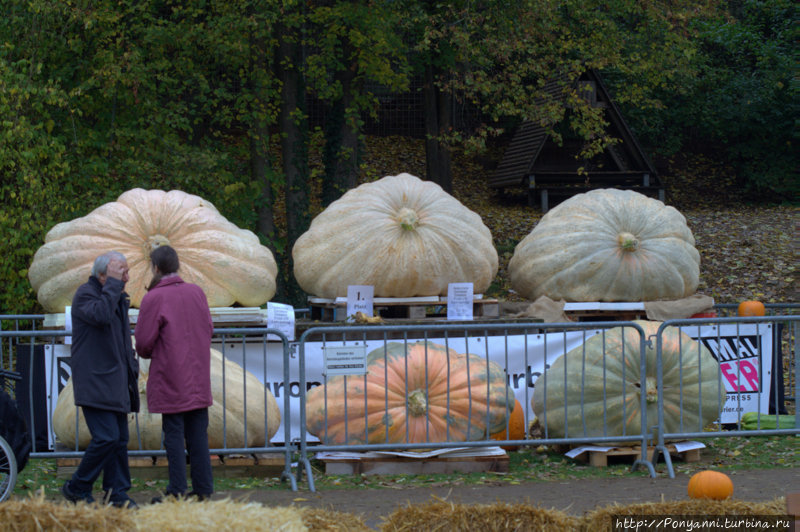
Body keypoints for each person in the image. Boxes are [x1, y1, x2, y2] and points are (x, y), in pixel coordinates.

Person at [134, 245, 214, 502]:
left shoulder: (154, 298)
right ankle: (203, 489)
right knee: (198, 435)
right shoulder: (197, 292)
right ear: (177, 265)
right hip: (198, 375)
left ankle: (177, 490)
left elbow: (144, 343)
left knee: (174, 436)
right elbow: (208, 329)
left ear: (155, 268)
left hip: (170, 376)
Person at [62, 251, 139, 509]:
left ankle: (116, 495)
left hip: (115, 382)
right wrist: (114, 288)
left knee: (118, 440)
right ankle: (77, 486)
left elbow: (120, 340)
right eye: (121, 273)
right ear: (103, 275)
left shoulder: (115, 298)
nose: (126, 278)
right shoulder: (86, 294)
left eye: (126, 272)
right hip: (95, 382)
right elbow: (101, 316)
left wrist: (132, 368)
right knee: (106, 437)